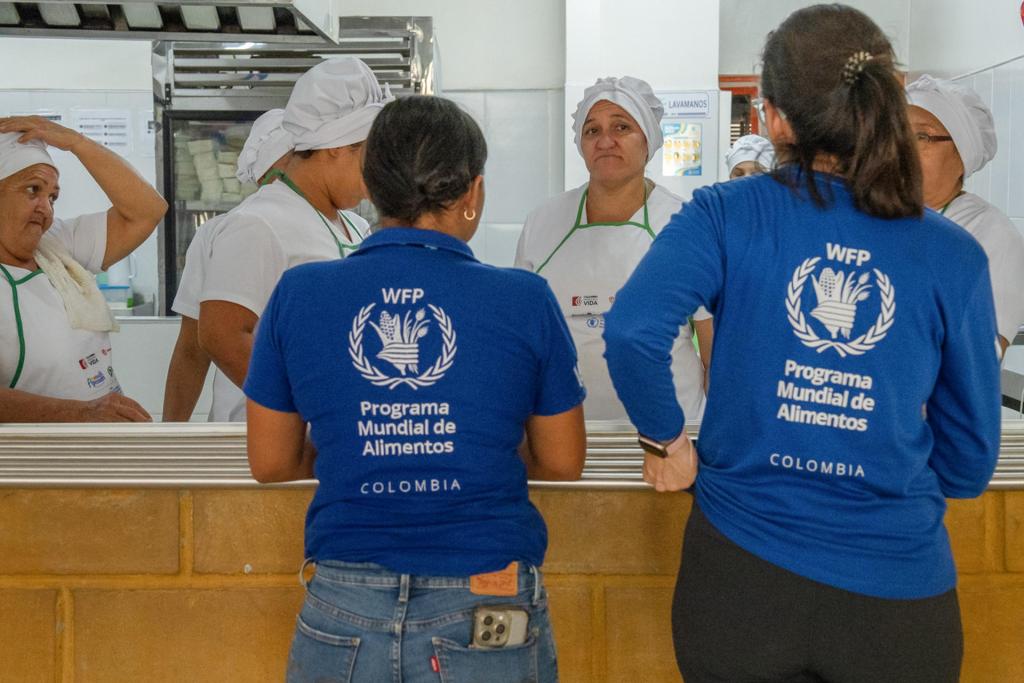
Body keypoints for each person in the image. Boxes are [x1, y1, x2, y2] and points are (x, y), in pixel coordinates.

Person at [603, 5, 1001, 682]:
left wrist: (666, 442)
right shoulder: (952, 253)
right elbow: (969, 465)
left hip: (740, 583)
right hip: (896, 598)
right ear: (890, 99)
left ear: (775, 119)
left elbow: (634, 330)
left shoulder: (726, 212)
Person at [244, 95, 586, 683]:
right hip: (487, 598)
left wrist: (362, 444)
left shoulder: (300, 293)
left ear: (373, 187)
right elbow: (562, 460)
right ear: (473, 193)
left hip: (343, 602)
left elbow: (271, 461)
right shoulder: (524, 298)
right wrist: (469, 447)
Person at [198, 57, 387, 421]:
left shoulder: (347, 224)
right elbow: (220, 335)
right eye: (371, 155)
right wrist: (305, 409)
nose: (378, 172)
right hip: (262, 443)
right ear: (337, 145)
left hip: (327, 438)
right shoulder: (259, 223)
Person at [515, 76, 711, 421]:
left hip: (673, 437)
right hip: (570, 435)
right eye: (592, 130)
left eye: (621, 127)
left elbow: (715, 350)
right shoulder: (543, 224)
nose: (605, 141)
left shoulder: (687, 225)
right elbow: (523, 340)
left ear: (648, 141)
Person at [0, 117, 166, 422]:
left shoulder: (55, 244)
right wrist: (80, 414)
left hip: (94, 445)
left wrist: (77, 143)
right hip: (27, 459)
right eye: (32, 190)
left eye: (52, 197)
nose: (46, 209)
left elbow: (148, 210)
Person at [162, 109, 293, 421]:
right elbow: (193, 349)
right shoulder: (225, 230)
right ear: (263, 175)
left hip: (326, 429)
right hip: (238, 424)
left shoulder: (352, 228)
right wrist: (170, 435)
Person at [906, 75, 1024, 356]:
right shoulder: (880, 218)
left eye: (922, 136)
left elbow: (980, 357)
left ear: (962, 154)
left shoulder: (991, 234)